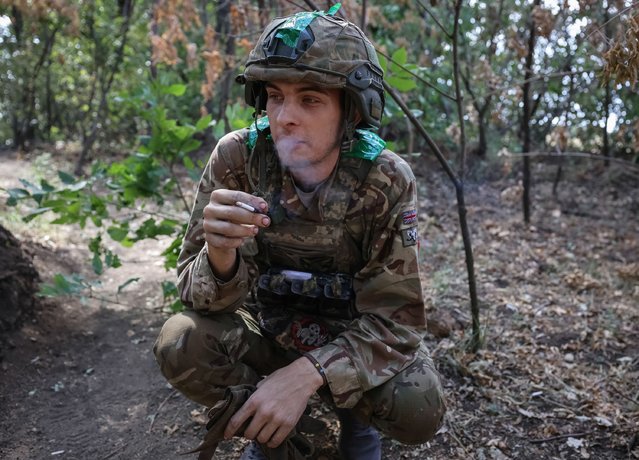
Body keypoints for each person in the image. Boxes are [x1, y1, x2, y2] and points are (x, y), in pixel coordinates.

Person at [153, 6, 446, 460]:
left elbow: (397, 321)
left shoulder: (383, 178)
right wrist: (220, 255)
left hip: (351, 334)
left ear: (352, 110)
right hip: (267, 329)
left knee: (417, 406)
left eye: (310, 99)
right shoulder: (238, 160)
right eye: (274, 96)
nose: (285, 117)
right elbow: (198, 300)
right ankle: (272, 429)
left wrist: (310, 373)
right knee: (182, 340)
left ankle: (354, 419)